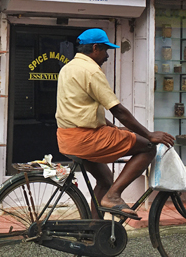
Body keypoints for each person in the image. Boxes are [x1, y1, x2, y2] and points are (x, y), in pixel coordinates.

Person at [55, 28, 174, 220]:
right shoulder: (91, 70)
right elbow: (118, 110)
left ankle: (93, 230)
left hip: (67, 138)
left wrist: (115, 129)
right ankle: (113, 196)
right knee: (148, 148)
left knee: (105, 179)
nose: (107, 56)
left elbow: (83, 110)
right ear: (95, 48)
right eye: (105, 51)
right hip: (87, 139)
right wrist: (149, 134)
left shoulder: (67, 68)